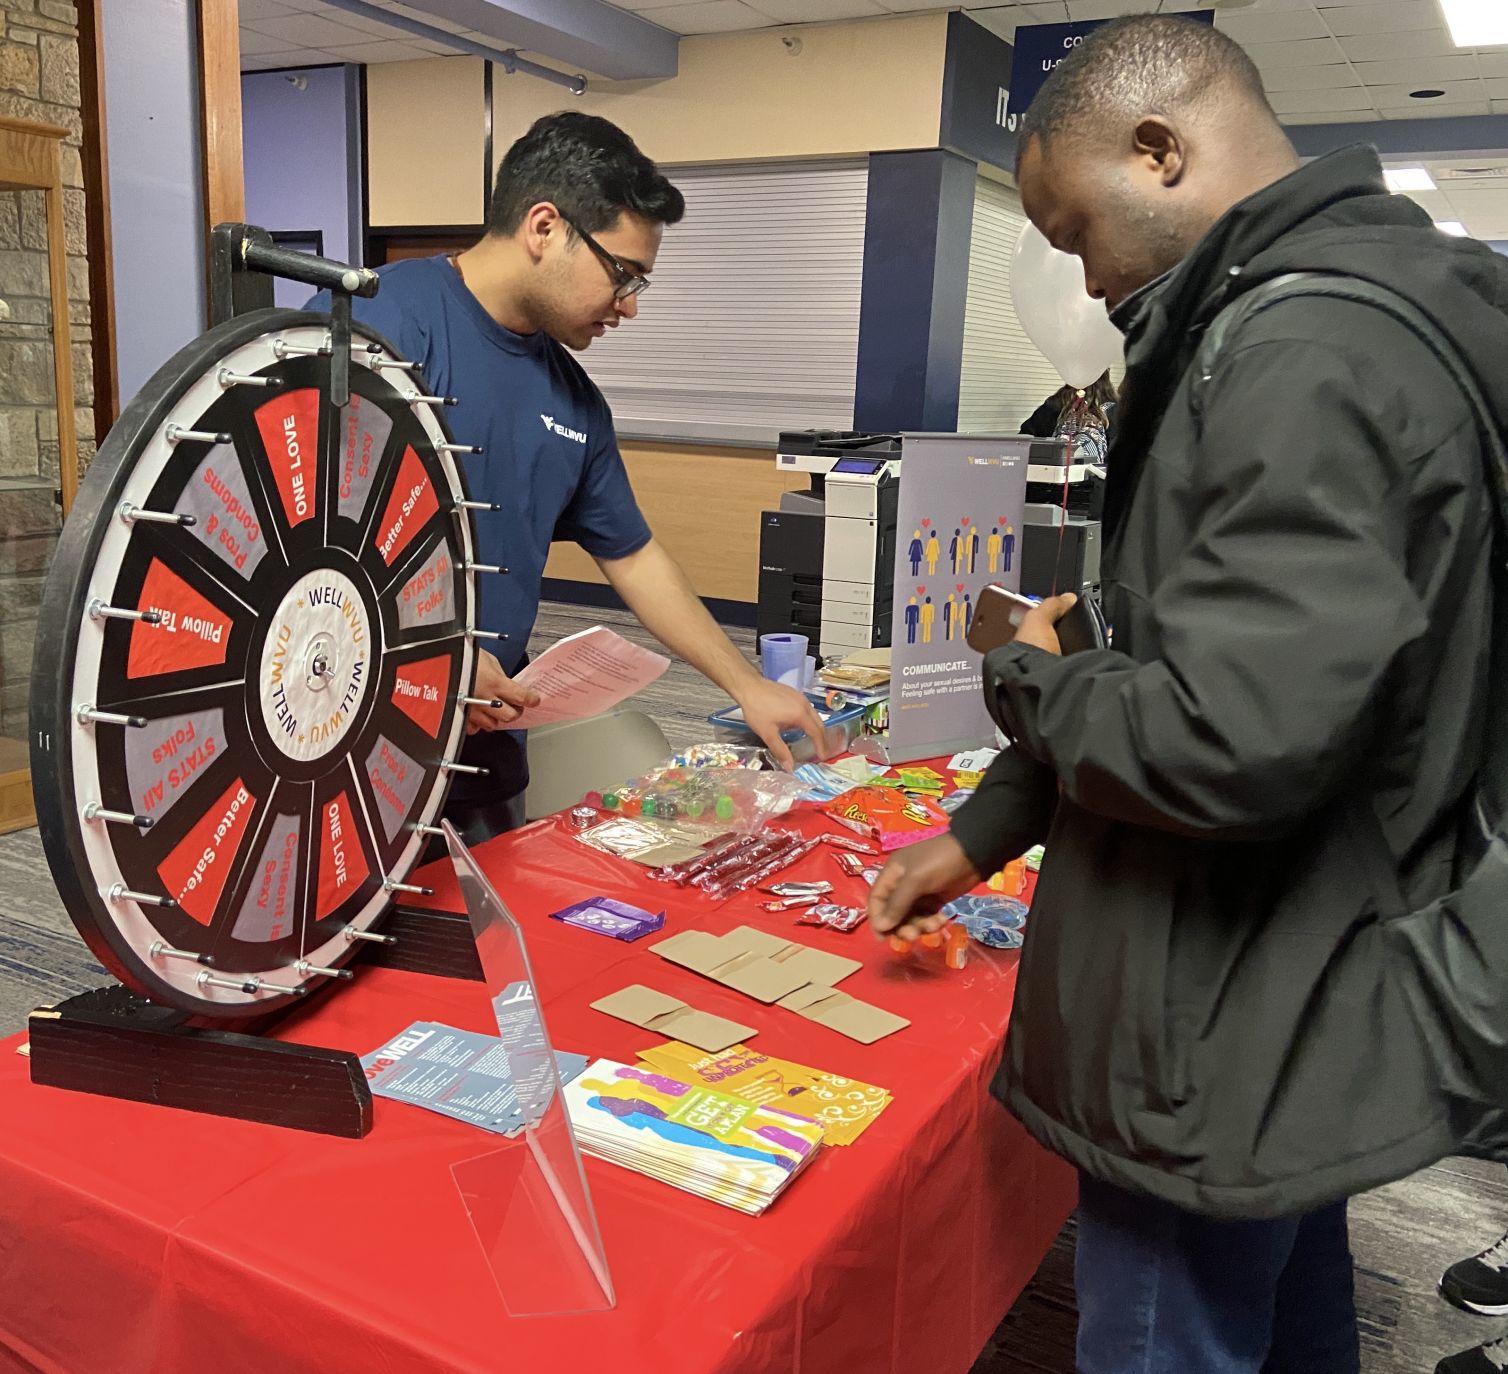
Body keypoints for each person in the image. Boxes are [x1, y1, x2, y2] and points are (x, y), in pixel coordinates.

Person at [866, 15, 1504, 1373]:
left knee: (1175, 1327)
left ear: (1160, 151)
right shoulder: (1352, 307)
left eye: (1076, 228)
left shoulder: (1296, 353)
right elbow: (1202, 647)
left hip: (1206, 1023)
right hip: (1298, 1001)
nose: (1081, 276)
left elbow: (1223, 735)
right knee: (1286, 1306)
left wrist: (1027, 675)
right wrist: (981, 831)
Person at [313, 112, 825, 843]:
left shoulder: (575, 401)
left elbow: (634, 554)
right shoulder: (382, 321)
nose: (631, 305)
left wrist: (746, 686)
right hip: (346, 751)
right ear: (545, 227)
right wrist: (435, 657)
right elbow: (299, 539)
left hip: (486, 754)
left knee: (491, 942)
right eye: (622, 273)